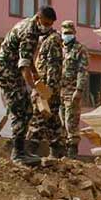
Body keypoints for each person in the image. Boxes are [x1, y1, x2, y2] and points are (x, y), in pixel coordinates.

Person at [0, 6, 56, 165]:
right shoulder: (29, 33)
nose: (47, 27)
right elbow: (24, 66)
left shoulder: (29, 25)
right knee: (22, 108)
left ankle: (20, 150)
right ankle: (18, 153)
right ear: (39, 18)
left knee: (24, 108)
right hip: (7, 71)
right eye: (46, 23)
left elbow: (27, 59)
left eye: (50, 24)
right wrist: (33, 88)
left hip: (9, 70)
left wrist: (36, 75)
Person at [30, 20, 64, 157]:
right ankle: (58, 150)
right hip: (45, 86)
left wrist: (47, 90)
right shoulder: (46, 40)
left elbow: (53, 66)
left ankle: (29, 150)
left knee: (38, 118)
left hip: (47, 88)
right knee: (52, 121)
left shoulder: (52, 40)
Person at [58, 20, 87, 158]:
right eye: (65, 33)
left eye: (69, 33)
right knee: (60, 121)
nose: (67, 35)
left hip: (72, 91)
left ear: (74, 33)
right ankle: (61, 152)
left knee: (71, 121)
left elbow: (83, 71)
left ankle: (72, 152)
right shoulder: (58, 48)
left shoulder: (80, 49)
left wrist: (79, 90)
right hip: (59, 91)